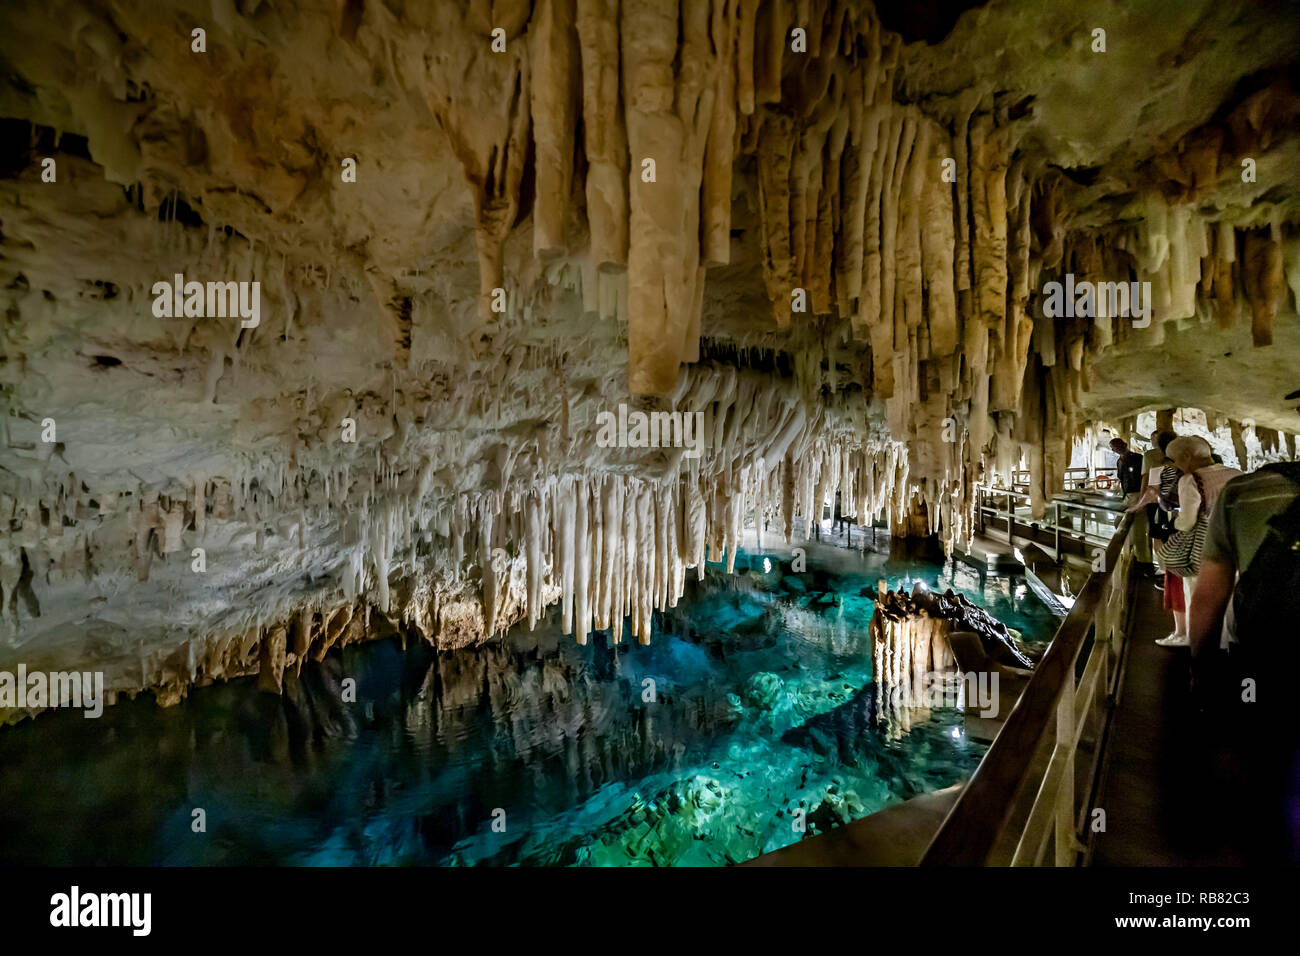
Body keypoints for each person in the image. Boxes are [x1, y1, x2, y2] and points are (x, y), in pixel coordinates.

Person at [1189, 459, 1300, 862]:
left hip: (1263, 656)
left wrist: (1200, 667)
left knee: (1267, 763)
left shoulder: (1244, 493)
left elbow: (1209, 595)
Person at [1152, 436, 1241, 647]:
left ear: (1186, 456)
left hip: (1205, 548)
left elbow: (1188, 521)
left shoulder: (1191, 480)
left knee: (1198, 595)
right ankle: (1230, 641)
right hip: (1234, 546)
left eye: (1174, 460)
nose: (1175, 466)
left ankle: (1201, 642)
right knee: (1231, 595)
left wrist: (1175, 525)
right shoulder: (1237, 475)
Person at [1111, 437, 1152, 570]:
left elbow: (1145, 477)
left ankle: (1144, 562)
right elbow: (1121, 478)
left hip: (1137, 494)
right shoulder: (1119, 461)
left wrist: (1142, 497)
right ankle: (1132, 551)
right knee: (1119, 522)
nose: (1116, 449)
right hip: (1127, 496)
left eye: (1118, 446)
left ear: (1125, 445)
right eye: (1113, 447)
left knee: (1139, 529)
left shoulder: (1138, 459)